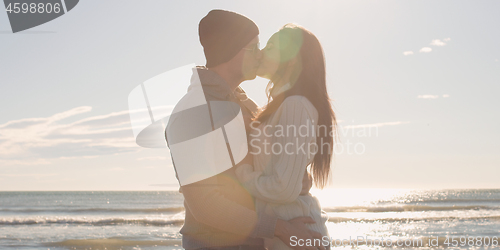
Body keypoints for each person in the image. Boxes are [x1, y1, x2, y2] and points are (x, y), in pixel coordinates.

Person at [165, 10, 325, 250]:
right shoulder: (192, 112)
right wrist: (282, 228)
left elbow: (273, 160)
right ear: (232, 51)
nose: (260, 54)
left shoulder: (245, 104)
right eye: (255, 47)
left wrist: (291, 178)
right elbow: (205, 205)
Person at [235, 23, 337, 250]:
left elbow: (283, 188)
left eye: (270, 47)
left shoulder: (296, 106)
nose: (260, 52)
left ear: (291, 59)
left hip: (298, 233)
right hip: (287, 230)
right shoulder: (281, 106)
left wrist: (242, 178)